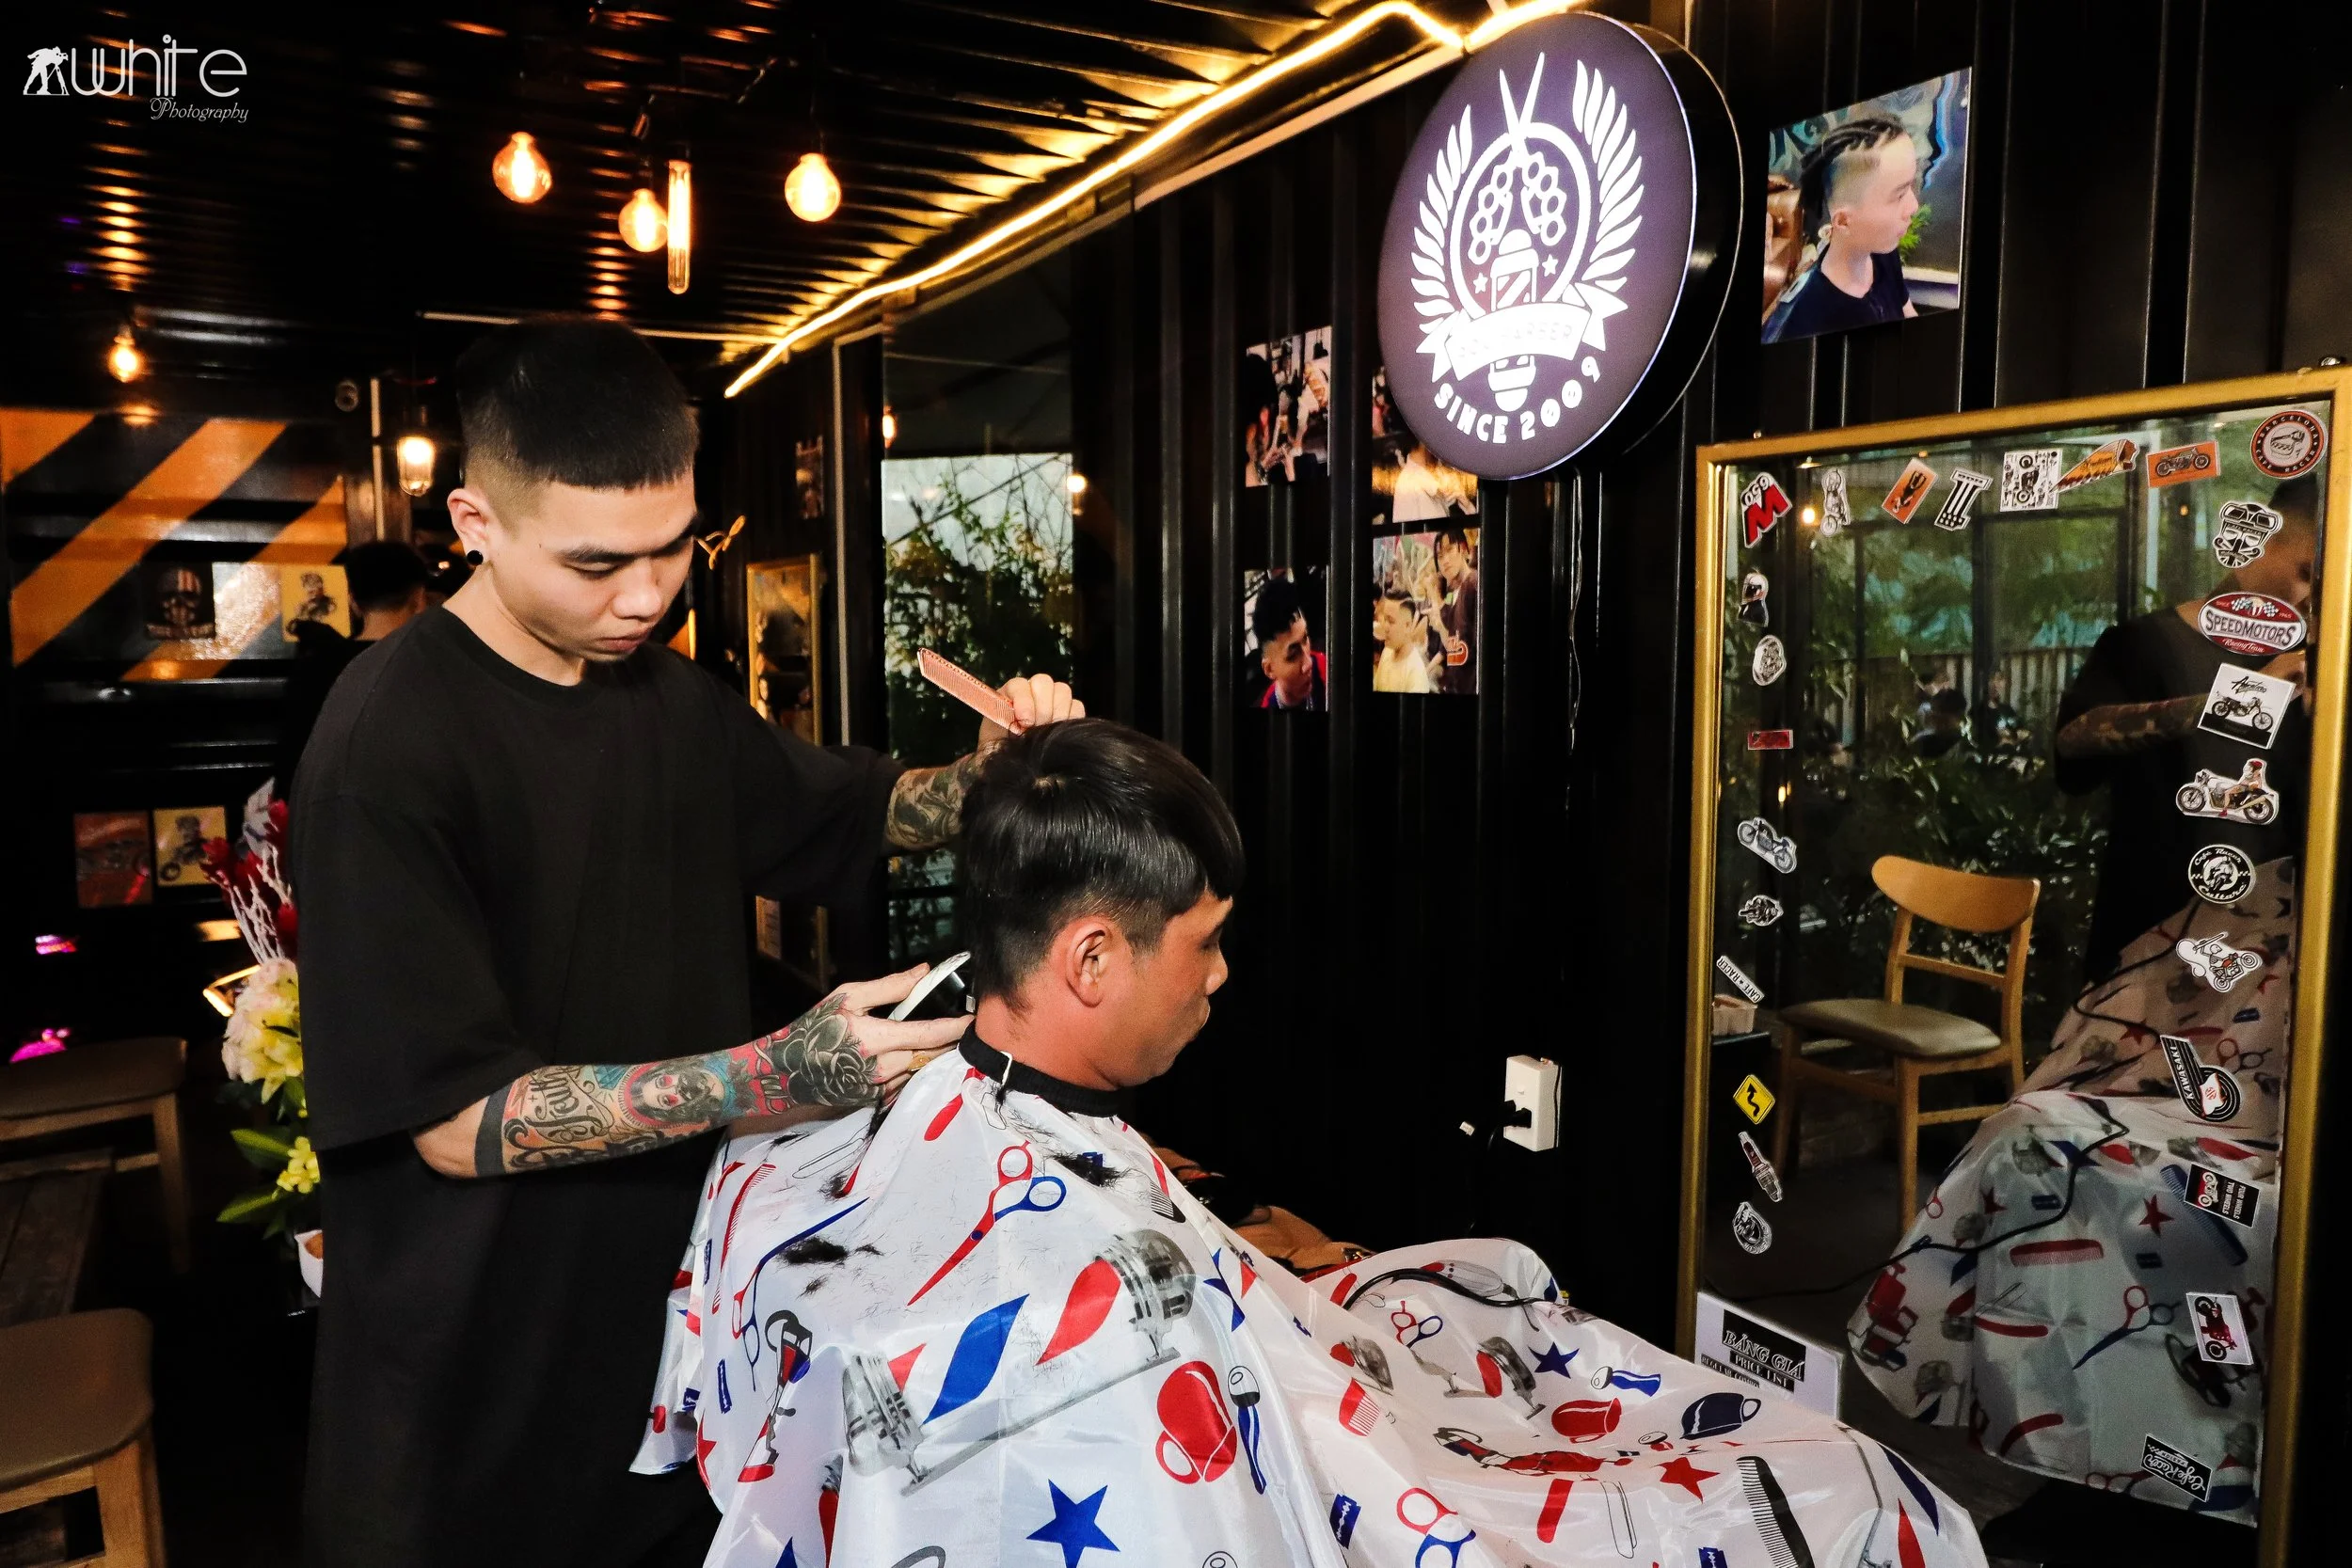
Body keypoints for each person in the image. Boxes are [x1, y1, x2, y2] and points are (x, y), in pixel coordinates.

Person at [639, 720, 1987, 1568]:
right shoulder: (1101, 1300)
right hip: (1349, 1426)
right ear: (1094, 955)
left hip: (1268, 1320)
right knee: (1843, 1483)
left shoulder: (878, 1122)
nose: (1223, 973)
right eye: (1207, 939)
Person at [289, 316, 1081, 1568]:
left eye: (676, 546)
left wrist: (990, 775)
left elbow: (858, 806)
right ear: (474, 523)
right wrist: (776, 1076)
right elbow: (455, 1118)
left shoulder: (666, 698)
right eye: (600, 561)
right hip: (476, 1397)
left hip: (673, 1364)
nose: (650, 595)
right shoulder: (388, 747)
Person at [2055, 476, 2316, 980]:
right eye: (2305, 572)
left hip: (2274, 950)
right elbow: (2075, 739)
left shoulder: (2317, 661)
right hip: (2152, 933)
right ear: (2254, 546)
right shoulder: (2146, 644)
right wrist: (2237, 698)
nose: (2308, 600)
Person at [274, 540, 434, 800]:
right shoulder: (431, 668)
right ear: (418, 600)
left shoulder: (318, 665)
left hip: (334, 823)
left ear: (353, 602)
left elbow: (293, 758)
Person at [1762, 116, 1921, 342]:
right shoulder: (1805, 321)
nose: (1914, 206)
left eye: (1910, 186)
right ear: (1844, 221)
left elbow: (1906, 310)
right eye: (1899, 195)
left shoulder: (1882, 253)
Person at [1249, 574, 1327, 710]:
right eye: (1292, 656)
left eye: (1305, 639)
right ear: (1269, 669)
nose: (1308, 663)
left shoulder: (1323, 667)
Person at [1434, 527, 1479, 695]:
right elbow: (1448, 638)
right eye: (1440, 556)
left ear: (1463, 549)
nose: (1444, 560)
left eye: (1449, 550)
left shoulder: (1474, 583)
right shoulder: (1452, 590)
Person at [1372, 584, 1436, 693]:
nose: (1385, 627)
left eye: (1391, 621)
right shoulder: (1387, 652)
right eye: (1385, 619)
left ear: (1407, 626)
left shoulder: (1415, 674)